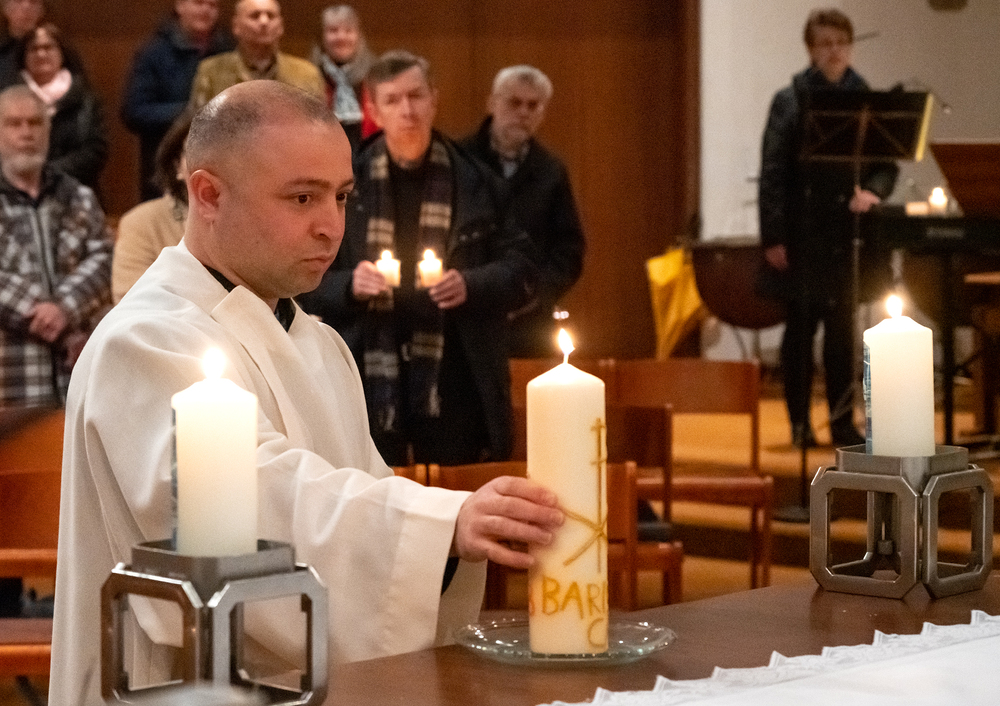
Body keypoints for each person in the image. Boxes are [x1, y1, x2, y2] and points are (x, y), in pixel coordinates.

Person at [50, 79, 562, 705]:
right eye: (301, 198)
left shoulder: (317, 340)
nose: (332, 227)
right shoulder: (146, 340)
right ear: (208, 194)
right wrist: (439, 526)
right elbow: (249, 504)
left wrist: (447, 533)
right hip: (173, 686)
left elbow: (361, 493)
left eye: (341, 197)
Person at [297, 51, 536, 466]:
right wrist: (349, 285)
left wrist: (471, 284)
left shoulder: (478, 182)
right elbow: (302, 276)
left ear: (434, 100)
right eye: (392, 100)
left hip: (456, 377)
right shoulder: (343, 185)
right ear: (373, 111)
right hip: (367, 375)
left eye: (416, 96)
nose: (407, 110)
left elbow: (524, 270)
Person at [758, 8, 898, 448]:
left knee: (842, 333)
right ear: (811, 50)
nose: (835, 51)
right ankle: (799, 424)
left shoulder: (866, 100)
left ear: (851, 47)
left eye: (842, 42)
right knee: (800, 332)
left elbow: (886, 164)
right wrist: (773, 236)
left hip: (848, 234)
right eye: (825, 43)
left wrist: (872, 192)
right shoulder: (791, 100)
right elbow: (773, 171)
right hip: (803, 233)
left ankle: (841, 422)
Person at [460, 65, 585, 357]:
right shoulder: (462, 159)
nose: (523, 113)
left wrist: (538, 293)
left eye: (533, 105)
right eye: (514, 103)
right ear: (492, 103)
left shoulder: (551, 171)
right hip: (469, 311)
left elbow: (569, 248)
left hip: (531, 320)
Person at [0, 85, 111, 406]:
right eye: (14, 124)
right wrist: (46, 315)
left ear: (48, 132)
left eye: (35, 123)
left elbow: (103, 260)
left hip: (73, 371)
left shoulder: (78, 196)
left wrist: (64, 308)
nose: (26, 133)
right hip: (11, 371)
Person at [120, 0, 233, 201]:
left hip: (220, 167)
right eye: (199, 2)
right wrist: (193, 112)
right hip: (165, 166)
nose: (206, 10)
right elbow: (134, 112)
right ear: (180, 6)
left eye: (212, 5)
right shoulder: (154, 53)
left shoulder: (229, 51)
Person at [112, 109, 193, 302]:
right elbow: (133, 304)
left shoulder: (255, 220)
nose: (212, 163)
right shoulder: (142, 223)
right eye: (197, 152)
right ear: (177, 165)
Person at [17, 23, 107, 192]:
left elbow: (95, 150)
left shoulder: (86, 99)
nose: (41, 54)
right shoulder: (9, 98)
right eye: (33, 49)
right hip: (17, 192)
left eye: (48, 47)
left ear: (62, 53)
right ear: (23, 57)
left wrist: (47, 174)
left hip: (75, 191)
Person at [188, 0, 322, 109]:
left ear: (280, 26)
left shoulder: (306, 74)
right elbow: (199, 128)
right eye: (254, 16)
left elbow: (320, 128)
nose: (264, 22)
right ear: (236, 26)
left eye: (271, 16)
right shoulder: (211, 72)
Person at [312, 4, 377, 152]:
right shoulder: (308, 77)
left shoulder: (377, 75)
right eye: (333, 31)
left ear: (359, 36)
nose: (341, 37)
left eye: (348, 31)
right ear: (321, 37)